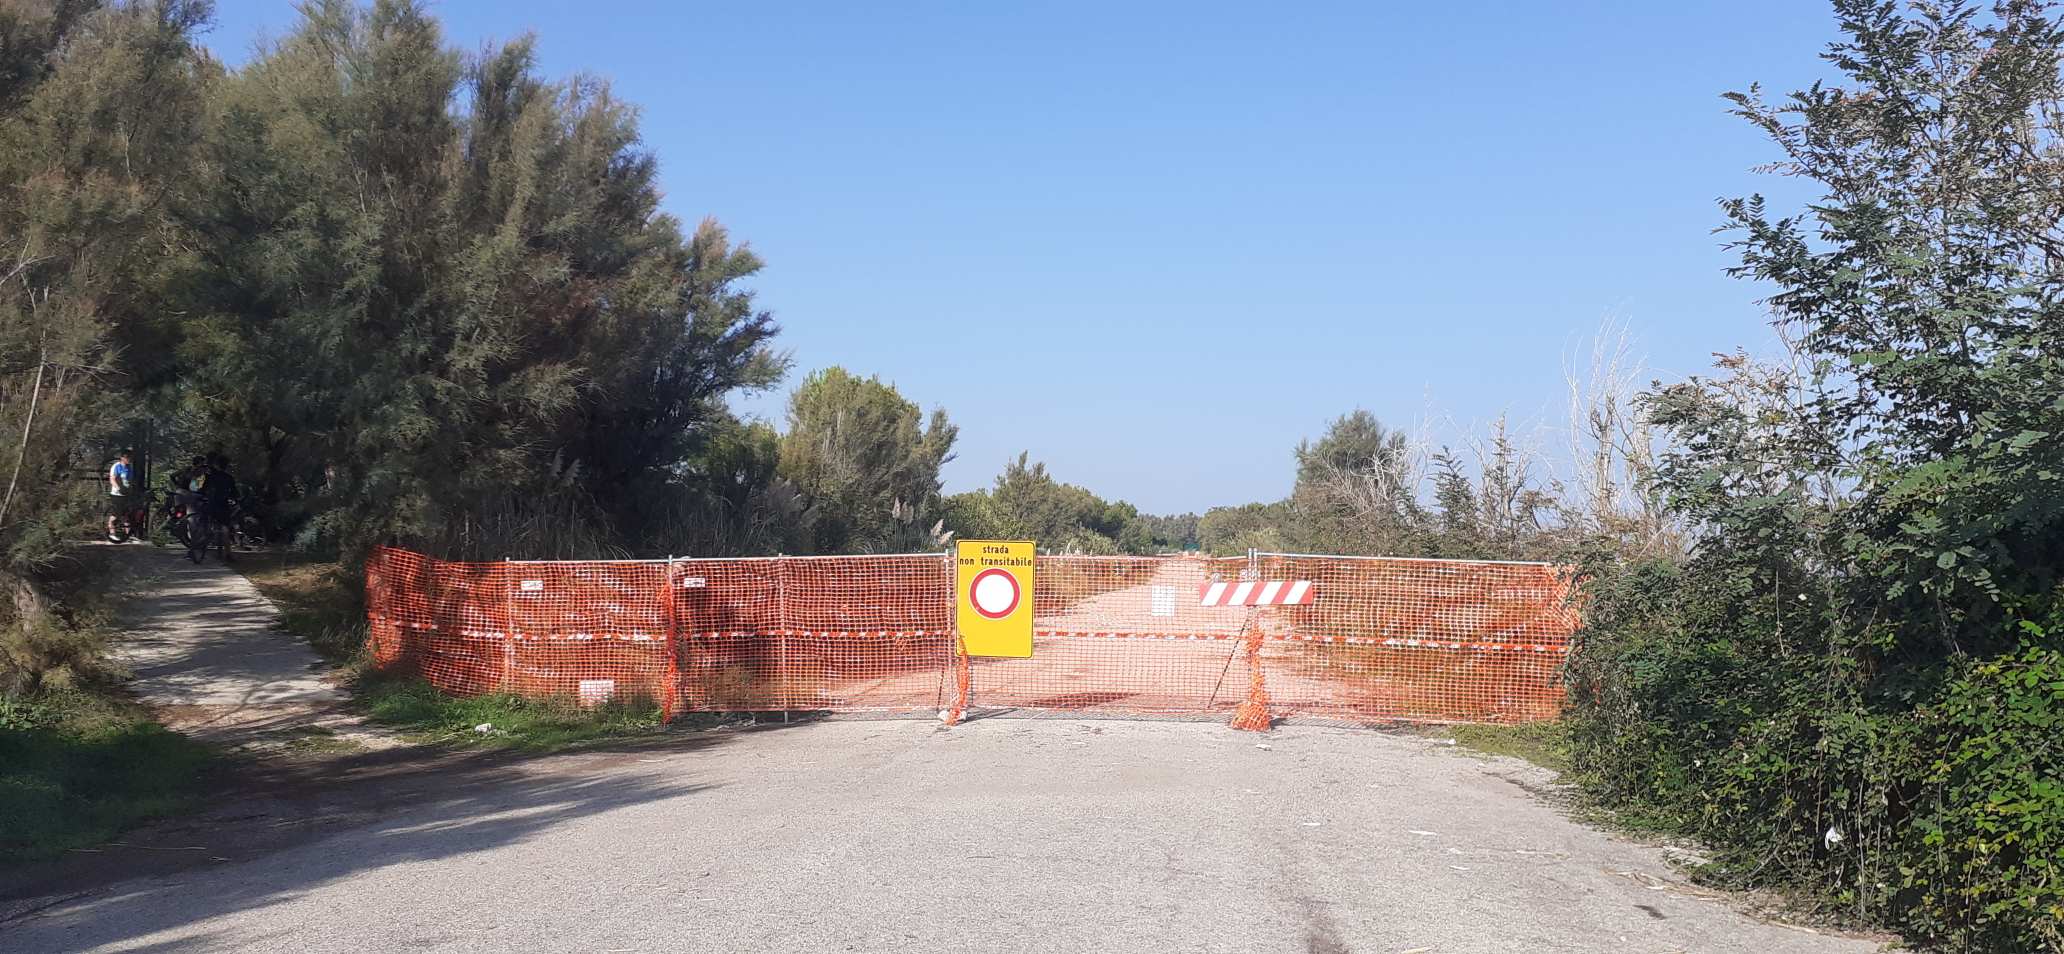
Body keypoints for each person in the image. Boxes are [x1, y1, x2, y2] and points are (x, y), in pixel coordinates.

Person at [197, 455, 239, 563]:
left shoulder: (210, 476)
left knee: (203, 521)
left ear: (217, 465)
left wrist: (201, 494)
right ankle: (228, 553)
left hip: (211, 504)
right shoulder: (229, 478)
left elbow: (203, 489)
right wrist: (233, 498)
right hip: (223, 505)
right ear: (226, 466)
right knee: (225, 527)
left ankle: (198, 543)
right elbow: (235, 493)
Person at [105, 449, 135, 540]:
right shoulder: (116, 466)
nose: (129, 459)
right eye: (127, 457)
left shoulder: (129, 468)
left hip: (126, 494)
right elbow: (112, 479)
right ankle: (112, 534)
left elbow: (130, 480)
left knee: (126, 515)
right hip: (117, 494)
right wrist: (119, 488)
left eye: (130, 457)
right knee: (116, 514)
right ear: (122, 458)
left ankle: (128, 535)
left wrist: (130, 489)